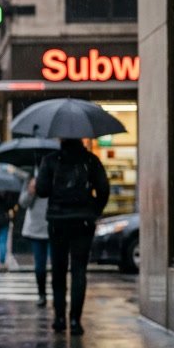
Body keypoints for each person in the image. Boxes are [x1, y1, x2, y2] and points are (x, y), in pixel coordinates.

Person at [36, 139, 110, 334]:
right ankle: (75, 320)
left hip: (58, 220)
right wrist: (93, 209)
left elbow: (42, 190)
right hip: (82, 221)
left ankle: (60, 317)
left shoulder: (50, 160)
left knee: (59, 270)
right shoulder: (91, 160)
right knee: (79, 270)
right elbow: (104, 189)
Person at [19, 174, 51, 307]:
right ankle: (41, 294)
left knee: (58, 264)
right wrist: (31, 190)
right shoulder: (30, 178)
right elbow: (23, 202)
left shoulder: (56, 175)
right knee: (40, 266)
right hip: (36, 228)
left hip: (54, 226)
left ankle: (58, 295)